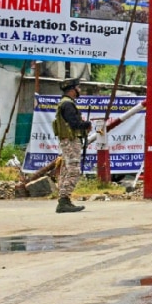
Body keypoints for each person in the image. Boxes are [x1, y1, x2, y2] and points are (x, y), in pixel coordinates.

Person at [53, 77, 90, 213]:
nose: (79, 90)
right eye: (78, 87)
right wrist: (86, 125)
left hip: (68, 140)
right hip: (70, 140)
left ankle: (64, 200)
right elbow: (74, 123)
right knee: (74, 170)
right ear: (72, 90)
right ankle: (64, 200)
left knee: (66, 170)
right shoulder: (68, 104)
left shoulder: (65, 103)